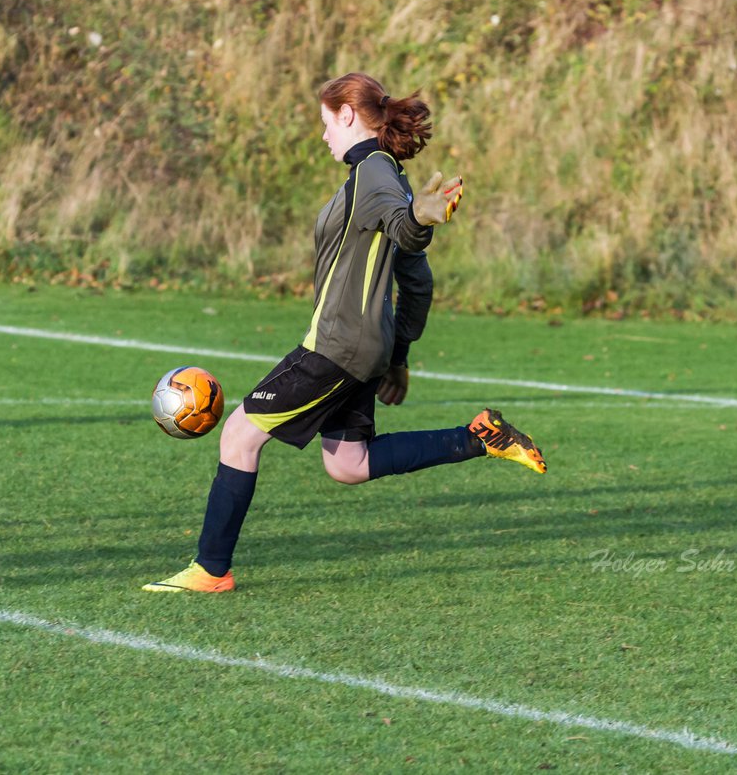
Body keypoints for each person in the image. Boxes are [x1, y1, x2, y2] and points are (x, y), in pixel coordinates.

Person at [144, 72, 547, 593]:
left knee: (239, 435)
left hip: (335, 346)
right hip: (365, 348)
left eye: (325, 122)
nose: (323, 135)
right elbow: (416, 280)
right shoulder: (384, 175)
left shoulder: (375, 173)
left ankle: (211, 569)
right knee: (349, 463)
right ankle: (478, 437)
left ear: (348, 115)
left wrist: (419, 220)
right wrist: (397, 354)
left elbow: (405, 232)